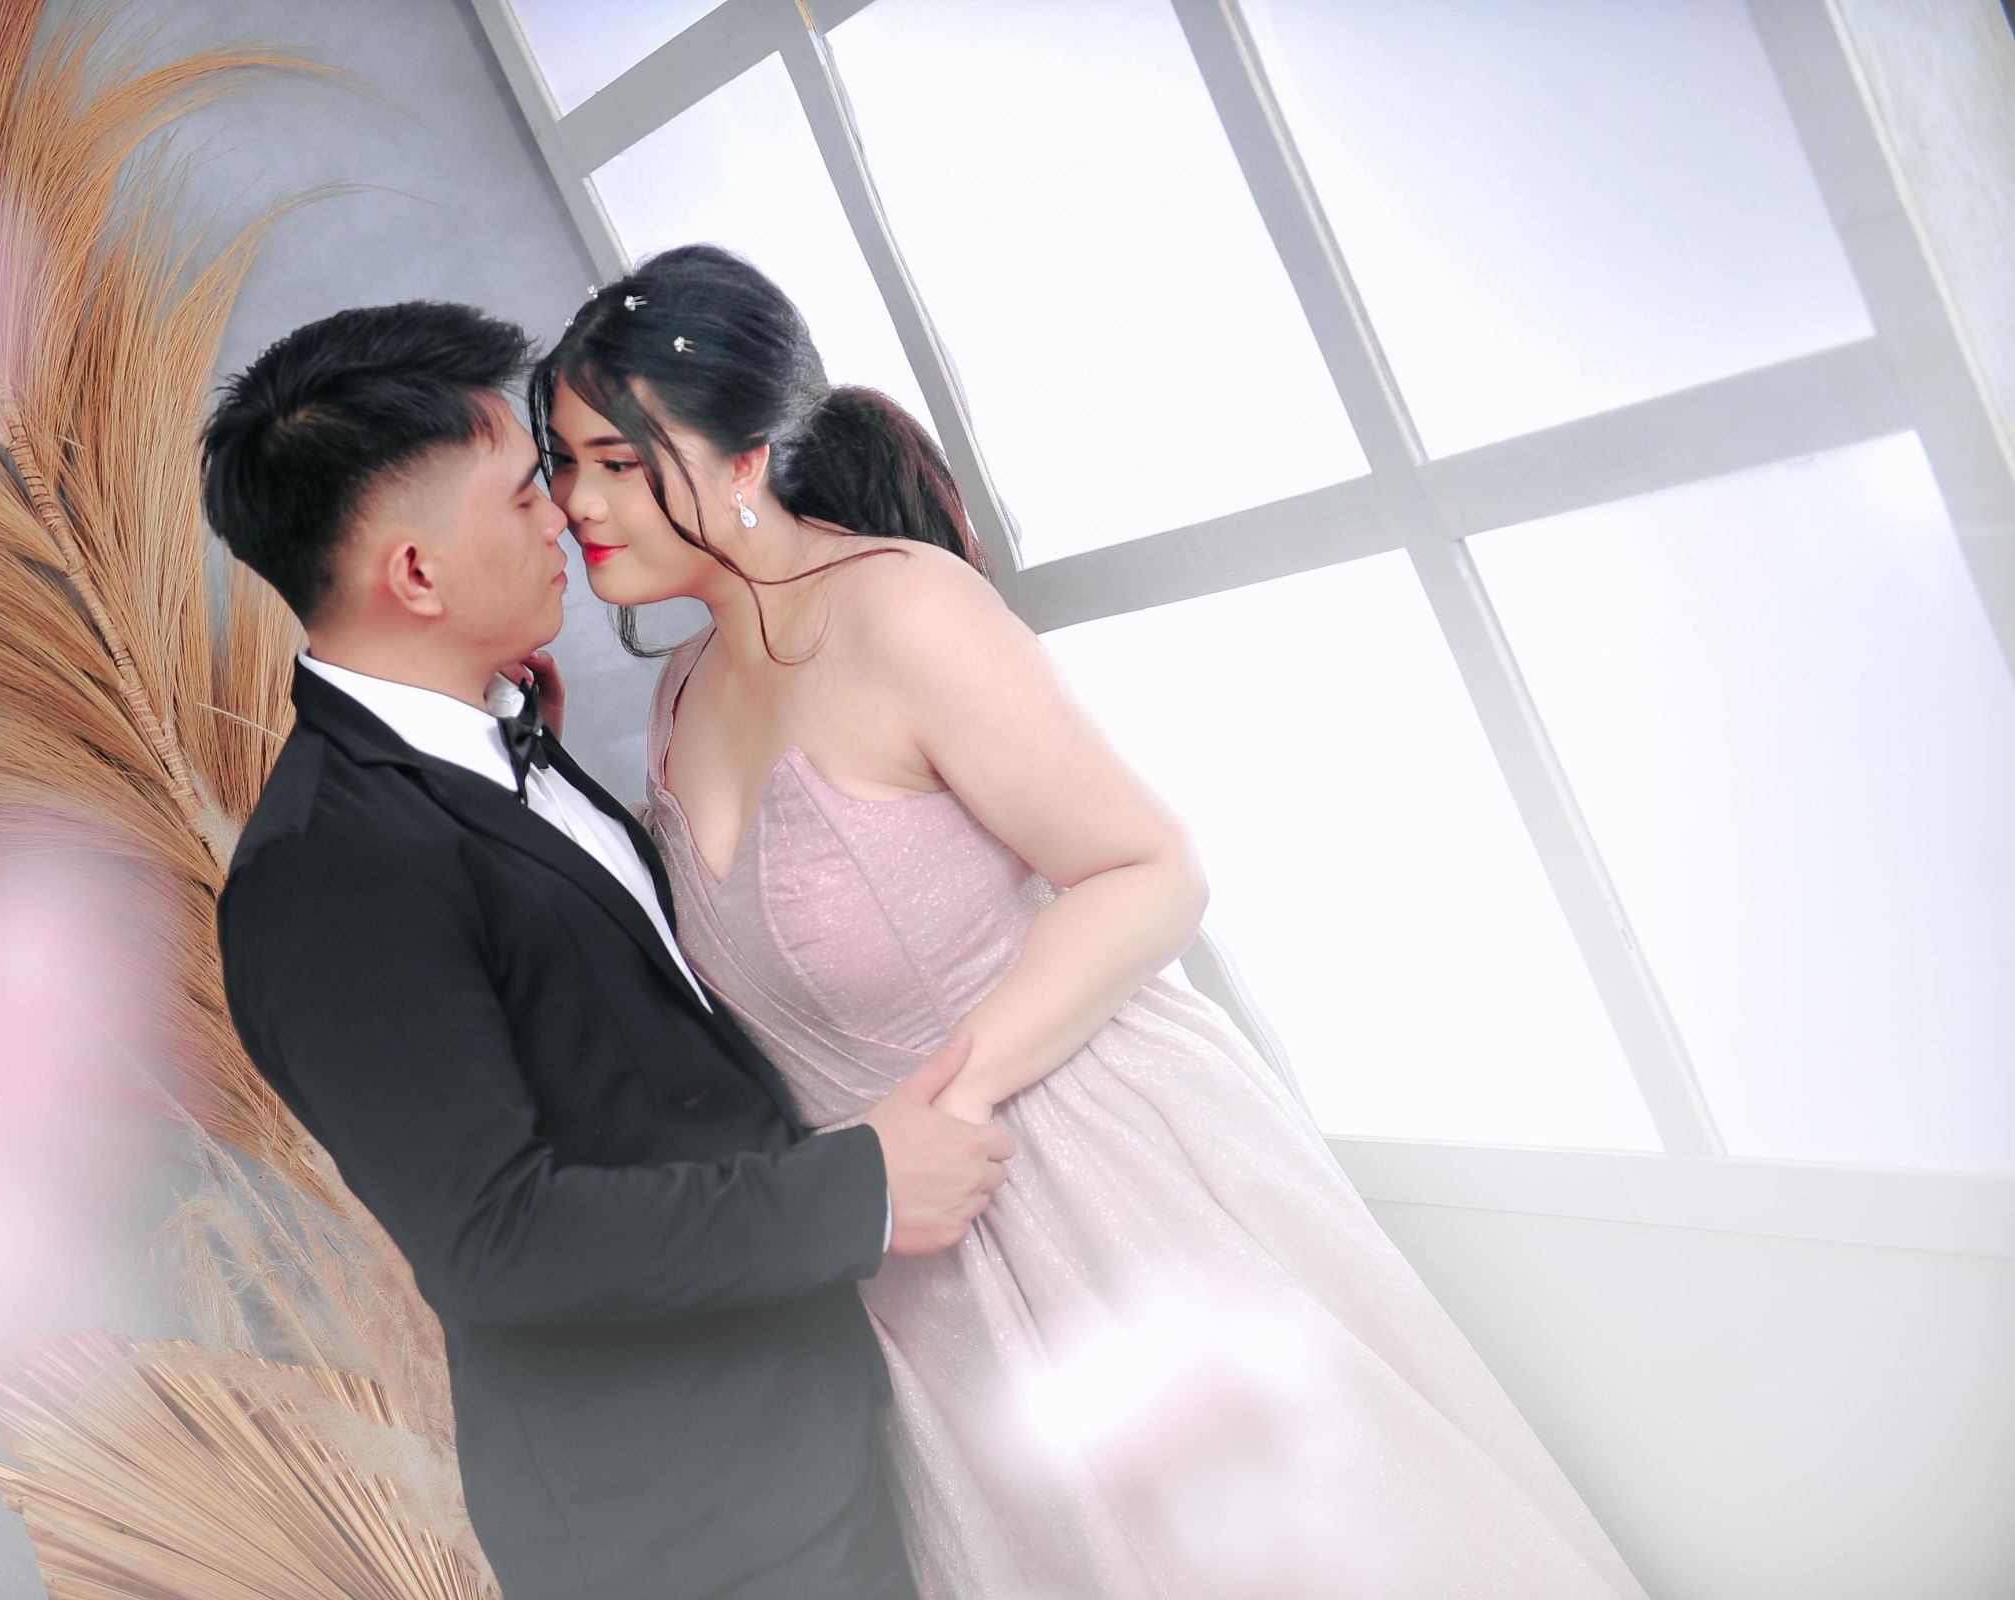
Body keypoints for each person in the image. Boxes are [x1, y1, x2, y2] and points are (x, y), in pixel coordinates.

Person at [532, 245, 1655, 1599]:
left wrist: (946, 1109)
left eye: (615, 460)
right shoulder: (679, 690)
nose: (576, 502)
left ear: (745, 457)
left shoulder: (899, 608)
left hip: (1086, 1171)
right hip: (913, 1252)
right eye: (562, 462)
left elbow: (1149, 869)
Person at [200, 299, 1016, 1600]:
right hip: (685, 1526)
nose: (566, 517)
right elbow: (498, 1236)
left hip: (799, 1418)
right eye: (527, 492)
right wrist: (858, 1192)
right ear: (415, 575)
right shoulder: (328, 871)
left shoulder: (489, 733)